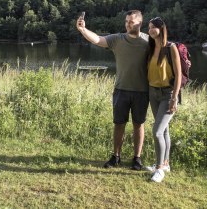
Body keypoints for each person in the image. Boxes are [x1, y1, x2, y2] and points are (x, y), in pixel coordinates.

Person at [76, 10, 149, 170]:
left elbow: (164, 50)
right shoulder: (117, 39)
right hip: (121, 90)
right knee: (119, 124)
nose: (128, 24)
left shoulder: (148, 41)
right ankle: (115, 156)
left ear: (140, 23)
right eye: (126, 21)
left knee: (139, 125)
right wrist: (83, 30)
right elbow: (98, 40)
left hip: (142, 91)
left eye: (131, 21)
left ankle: (137, 159)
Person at [145, 17, 182, 183]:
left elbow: (179, 75)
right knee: (165, 130)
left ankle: (159, 169)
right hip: (153, 93)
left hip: (168, 94)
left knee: (157, 131)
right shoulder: (151, 47)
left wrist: (174, 97)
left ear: (162, 28)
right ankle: (165, 164)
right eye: (149, 27)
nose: (151, 30)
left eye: (154, 27)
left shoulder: (170, 47)